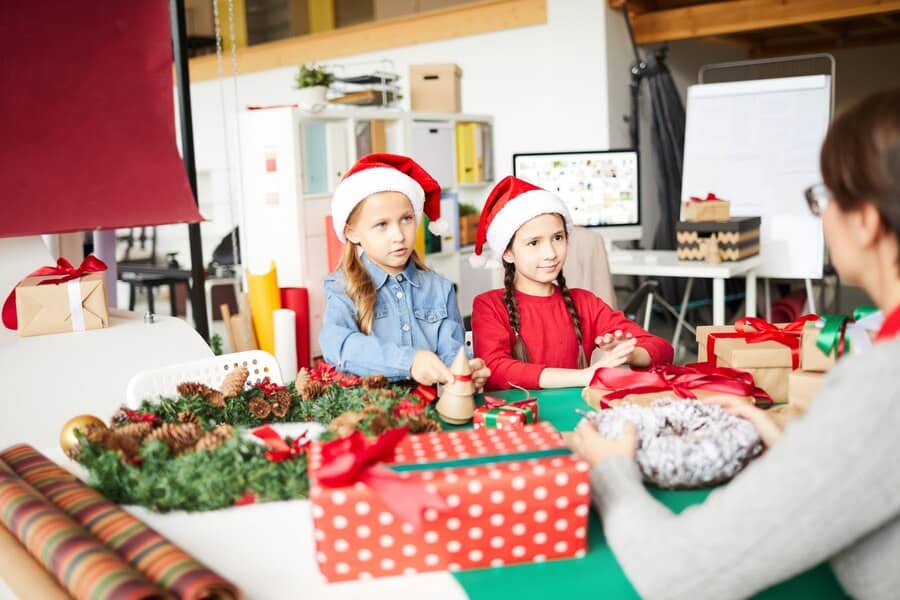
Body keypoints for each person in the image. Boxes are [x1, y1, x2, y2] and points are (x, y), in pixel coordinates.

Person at [570, 88, 900, 599]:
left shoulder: (882, 383)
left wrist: (609, 468)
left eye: (825, 198)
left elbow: (677, 573)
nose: (823, 216)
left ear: (866, 221)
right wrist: (785, 440)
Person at [471, 176, 673, 390]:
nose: (550, 253)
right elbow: (495, 369)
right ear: (508, 253)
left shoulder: (585, 303)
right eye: (533, 243)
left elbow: (663, 348)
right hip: (518, 420)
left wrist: (630, 353)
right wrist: (583, 377)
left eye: (557, 238)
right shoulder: (489, 306)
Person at [319, 153, 490, 388]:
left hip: (430, 415)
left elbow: (453, 355)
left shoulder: (440, 289)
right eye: (382, 225)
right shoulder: (341, 288)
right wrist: (410, 361)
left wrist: (466, 372)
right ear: (352, 232)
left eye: (406, 219)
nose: (399, 236)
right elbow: (338, 345)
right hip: (369, 416)